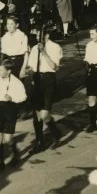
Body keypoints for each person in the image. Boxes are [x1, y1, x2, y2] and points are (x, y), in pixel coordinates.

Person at [24, 22, 64, 153]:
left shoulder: (55, 47)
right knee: (37, 114)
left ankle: (55, 132)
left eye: (39, 34)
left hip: (48, 80)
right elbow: (31, 66)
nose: (37, 37)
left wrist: (44, 52)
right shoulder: (34, 48)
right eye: (36, 34)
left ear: (46, 35)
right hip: (36, 80)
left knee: (45, 114)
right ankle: (39, 141)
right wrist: (28, 71)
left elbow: (54, 67)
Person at [0, 59, 28, 172]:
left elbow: (23, 97)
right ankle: (0, 161)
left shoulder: (16, 82)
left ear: (8, 71)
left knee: (8, 138)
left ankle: (14, 152)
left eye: (1, 69)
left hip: (10, 109)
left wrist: (12, 98)